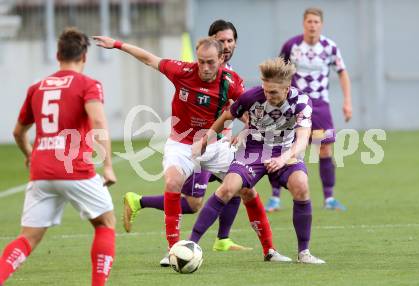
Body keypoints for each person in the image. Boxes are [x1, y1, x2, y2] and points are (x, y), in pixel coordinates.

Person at [122, 20, 249, 259]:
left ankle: (223, 239)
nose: (226, 45)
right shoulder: (198, 70)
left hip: (217, 145)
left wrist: (244, 127)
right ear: (210, 43)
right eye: (221, 41)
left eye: (230, 40)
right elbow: (152, 60)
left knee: (238, 185)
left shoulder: (231, 76)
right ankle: (144, 208)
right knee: (193, 203)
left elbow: (241, 107)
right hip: (194, 145)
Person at [0, 28, 116, 286]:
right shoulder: (89, 85)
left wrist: (30, 154)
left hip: (41, 171)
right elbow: (98, 121)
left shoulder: (36, 88)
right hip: (75, 168)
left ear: (57, 55)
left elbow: (18, 133)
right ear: (84, 56)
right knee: (105, 223)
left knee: (28, 237)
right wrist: (107, 166)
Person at [190, 57, 325, 264]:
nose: (267, 95)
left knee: (301, 186)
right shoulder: (251, 96)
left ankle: (304, 252)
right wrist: (205, 140)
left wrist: (283, 158)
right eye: (265, 89)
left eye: (273, 92)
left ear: (287, 89)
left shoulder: (302, 102)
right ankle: (190, 245)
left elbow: (303, 139)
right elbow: (226, 116)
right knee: (227, 188)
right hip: (252, 151)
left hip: (285, 152)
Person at [265, 7, 352, 212]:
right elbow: (278, 71)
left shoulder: (330, 47)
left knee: (325, 148)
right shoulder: (291, 46)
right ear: (303, 23)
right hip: (294, 104)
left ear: (321, 24)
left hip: (320, 104)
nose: (312, 25)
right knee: (284, 146)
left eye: (316, 22)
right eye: (309, 21)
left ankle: (329, 198)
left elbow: (342, 73)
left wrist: (347, 102)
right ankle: (275, 198)